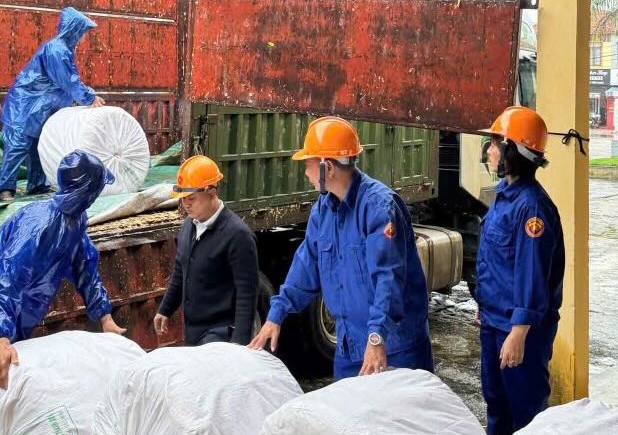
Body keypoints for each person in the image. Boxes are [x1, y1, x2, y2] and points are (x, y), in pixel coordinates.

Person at [0, 150, 125, 435]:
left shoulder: (74, 219)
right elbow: (8, 276)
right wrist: (0, 338)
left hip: (5, 311)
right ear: (87, 190)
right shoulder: (39, 224)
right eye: (97, 187)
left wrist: (103, 316)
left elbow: (85, 266)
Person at [249, 116, 432, 379]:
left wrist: (377, 337)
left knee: (399, 418)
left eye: (309, 164)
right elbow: (306, 266)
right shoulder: (322, 210)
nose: (305, 172)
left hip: (394, 346)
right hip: (350, 346)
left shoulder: (379, 207)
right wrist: (275, 315)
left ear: (328, 167)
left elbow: (388, 278)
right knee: (350, 419)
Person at [475, 106, 565, 435]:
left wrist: (519, 332)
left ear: (514, 151)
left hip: (519, 331)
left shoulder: (532, 208)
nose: (490, 151)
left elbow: (532, 276)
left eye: (497, 143)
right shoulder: (504, 195)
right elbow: (497, 264)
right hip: (495, 322)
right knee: (496, 405)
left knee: (524, 414)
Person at [0, 7, 105, 202]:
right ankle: (5, 188)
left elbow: (67, 80)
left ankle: (37, 185)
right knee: (18, 146)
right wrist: (89, 97)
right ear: (74, 29)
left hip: (39, 107)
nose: (83, 37)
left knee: (38, 146)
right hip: (26, 106)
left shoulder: (63, 49)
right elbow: (67, 80)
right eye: (83, 32)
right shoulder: (57, 49)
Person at [153, 155, 259, 346]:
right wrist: (165, 309)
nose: (185, 204)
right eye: (183, 198)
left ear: (210, 192)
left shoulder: (237, 235)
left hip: (221, 335)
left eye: (191, 198)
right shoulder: (189, 226)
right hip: (194, 331)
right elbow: (180, 270)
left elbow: (247, 295)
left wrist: (239, 346)